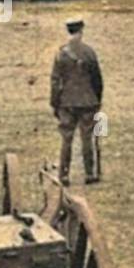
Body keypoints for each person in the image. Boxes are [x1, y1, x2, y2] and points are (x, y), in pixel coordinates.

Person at [50, 17, 103, 186]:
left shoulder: (61, 54)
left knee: (67, 139)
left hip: (66, 102)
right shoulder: (89, 52)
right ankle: (90, 173)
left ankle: (64, 175)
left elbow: (55, 81)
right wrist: (97, 98)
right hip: (88, 101)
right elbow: (97, 79)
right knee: (87, 138)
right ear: (81, 31)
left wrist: (55, 103)